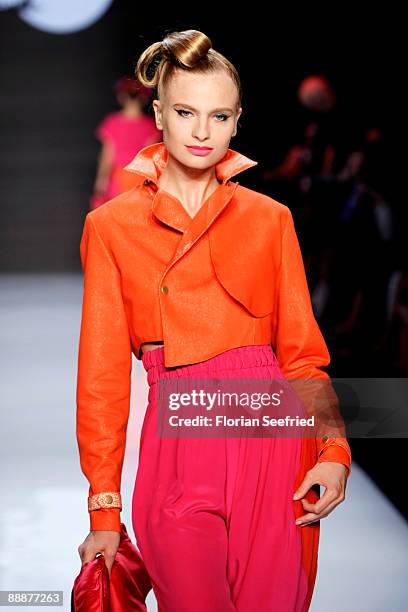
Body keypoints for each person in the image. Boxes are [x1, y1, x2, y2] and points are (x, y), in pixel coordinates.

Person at [76, 29, 352, 611]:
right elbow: (101, 378)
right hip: (176, 451)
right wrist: (104, 507)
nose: (202, 131)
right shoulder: (111, 227)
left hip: (273, 449)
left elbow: (301, 353)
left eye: (218, 114)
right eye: (185, 111)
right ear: (158, 114)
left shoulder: (270, 219)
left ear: (236, 121)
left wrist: (332, 452)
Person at [90, 76, 162, 209]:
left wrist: (101, 180)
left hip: (117, 178)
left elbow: (107, 156)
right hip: (139, 178)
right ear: (144, 99)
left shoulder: (112, 123)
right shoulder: (150, 126)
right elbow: (150, 157)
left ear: (121, 97)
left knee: (116, 219)